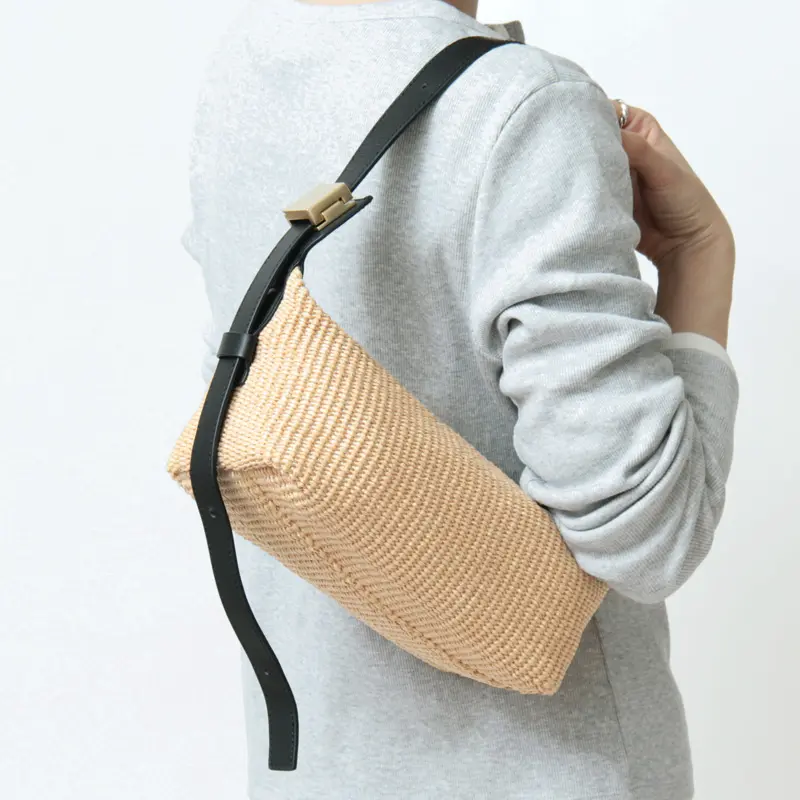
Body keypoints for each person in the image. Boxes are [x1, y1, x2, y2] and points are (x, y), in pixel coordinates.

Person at [180, 1, 738, 798]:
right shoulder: (521, 105)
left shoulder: (251, 65)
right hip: (542, 769)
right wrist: (696, 257)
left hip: (322, 764)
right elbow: (648, 541)